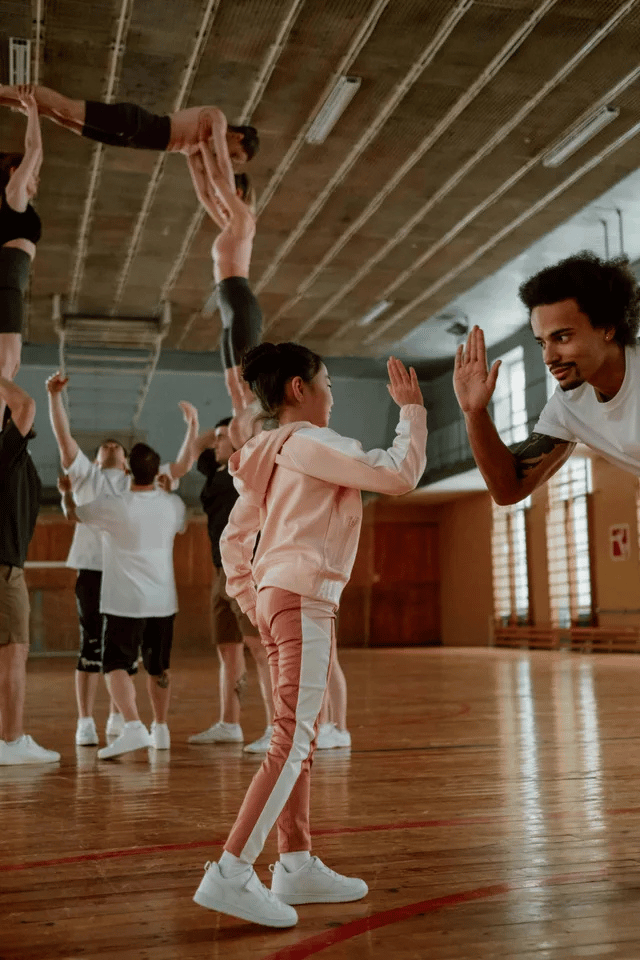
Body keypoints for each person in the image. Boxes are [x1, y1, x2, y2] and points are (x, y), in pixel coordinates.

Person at [192, 343, 427, 928]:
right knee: (293, 739)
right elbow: (398, 473)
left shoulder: (265, 453)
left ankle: (295, 861)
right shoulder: (313, 443)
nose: (332, 393)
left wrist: (256, 600)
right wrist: (413, 411)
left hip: (280, 598)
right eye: (327, 382)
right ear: (299, 389)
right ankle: (231, 872)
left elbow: (230, 540)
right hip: (300, 597)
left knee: (299, 735)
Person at [47, 371, 197, 746]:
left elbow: (180, 465)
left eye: (118, 447)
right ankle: (85, 721)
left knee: (125, 655)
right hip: (95, 572)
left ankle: (120, 717)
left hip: (127, 580)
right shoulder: (85, 476)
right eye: (105, 446)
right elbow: (64, 438)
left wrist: (192, 428)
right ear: (96, 459)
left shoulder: (145, 483)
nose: (112, 446)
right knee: (92, 649)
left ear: (129, 464)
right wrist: (54, 398)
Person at [453, 251, 640, 503]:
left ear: (607, 327)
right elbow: (508, 490)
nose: (548, 357)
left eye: (562, 337)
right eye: (542, 343)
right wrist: (474, 413)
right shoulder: (567, 406)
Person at [61, 443, 188, 759]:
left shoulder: (114, 504)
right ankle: (161, 730)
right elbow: (182, 523)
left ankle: (132, 726)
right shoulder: (173, 505)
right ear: (156, 472)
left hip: (125, 602)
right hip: (163, 602)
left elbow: (74, 514)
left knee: (115, 664)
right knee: (158, 668)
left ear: (128, 470)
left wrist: (65, 493)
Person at [188, 416, 274, 753]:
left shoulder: (248, 466)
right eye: (217, 438)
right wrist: (204, 424)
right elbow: (198, 446)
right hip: (218, 569)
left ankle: (274, 728)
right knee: (227, 649)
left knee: (260, 650)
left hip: (247, 568)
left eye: (222, 438)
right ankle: (230, 723)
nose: (215, 443)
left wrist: (236, 425)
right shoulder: (215, 471)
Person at [186, 141, 262, 450]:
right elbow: (205, 193)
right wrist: (190, 156)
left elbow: (217, 184)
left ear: (239, 195)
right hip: (230, 310)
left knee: (245, 386)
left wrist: (206, 147)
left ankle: (259, 441)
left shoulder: (244, 221)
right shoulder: (230, 225)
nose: (219, 199)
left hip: (241, 306)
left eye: (227, 194)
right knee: (233, 385)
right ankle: (246, 443)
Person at [0, 377, 59, 765]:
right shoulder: (4, 448)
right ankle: (11, 740)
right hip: (3, 572)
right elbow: (25, 404)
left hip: (8, 565)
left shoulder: (17, 457)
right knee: (13, 654)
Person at [0, 84, 258, 163]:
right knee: (66, 107)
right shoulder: (217, 119)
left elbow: (205, 182)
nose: (230, 160)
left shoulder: (199, 146)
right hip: (135, 123)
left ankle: (4, 99)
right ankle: (5, 89)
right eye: (236, 155)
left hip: (129, 139)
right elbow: (222, 165)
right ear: (237, 137)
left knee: (58, 117)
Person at [0, 87, 43, 399]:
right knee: (7, 365)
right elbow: (35, 151)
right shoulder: (13, 197)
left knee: (8, 365)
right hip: (7, 284)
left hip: (9, 284)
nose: (35, 176)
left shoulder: (16, 201)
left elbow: (35, 152)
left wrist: (32, 111)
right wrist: (32, 111)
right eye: (32, 174)